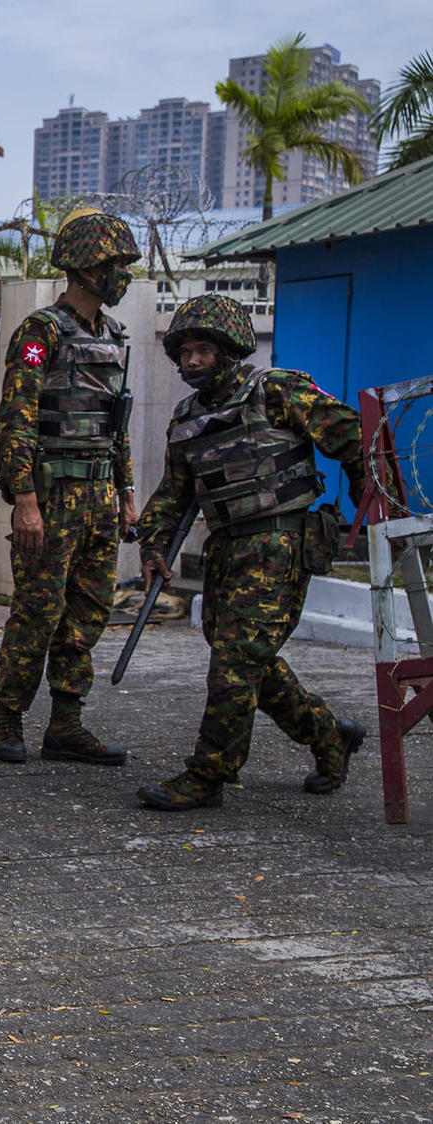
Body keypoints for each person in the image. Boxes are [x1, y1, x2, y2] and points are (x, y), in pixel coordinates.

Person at [135, 293, 366, 811]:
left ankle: (208, 774)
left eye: (202, 350)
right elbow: (174, 493)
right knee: (244, 659)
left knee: (236, 663)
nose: (192, 361)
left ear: (230, 350)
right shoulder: (186, 417)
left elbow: (349, 433)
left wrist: (364, 495)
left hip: (280, 542)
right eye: (185, 352)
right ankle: (330, 733)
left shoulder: (276, 390)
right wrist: (153, 547)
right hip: (226, 548)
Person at [0, 211, 141, 766]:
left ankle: (66, 723)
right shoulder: (42, 331)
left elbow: (115, 424)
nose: (123, 274)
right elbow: (17, 418)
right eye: (116, 264)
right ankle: (9, 718)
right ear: (86, 267)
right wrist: (23, 499)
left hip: (100, 498)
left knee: (89, 610)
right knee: (38, 609)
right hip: (52, 497)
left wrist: (125, 491)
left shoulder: (114, 336)